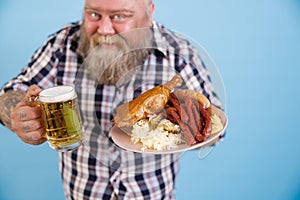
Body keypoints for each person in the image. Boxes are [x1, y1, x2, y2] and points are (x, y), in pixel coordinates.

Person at [0, 0, 222, 199]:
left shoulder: (179, 53)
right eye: (94, 14)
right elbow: (12, 92)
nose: (105, 29)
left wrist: (182, 124)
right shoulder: (62, 45)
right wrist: (19, 115)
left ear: (149, 12)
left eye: (119, 16)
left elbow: (215, 129)